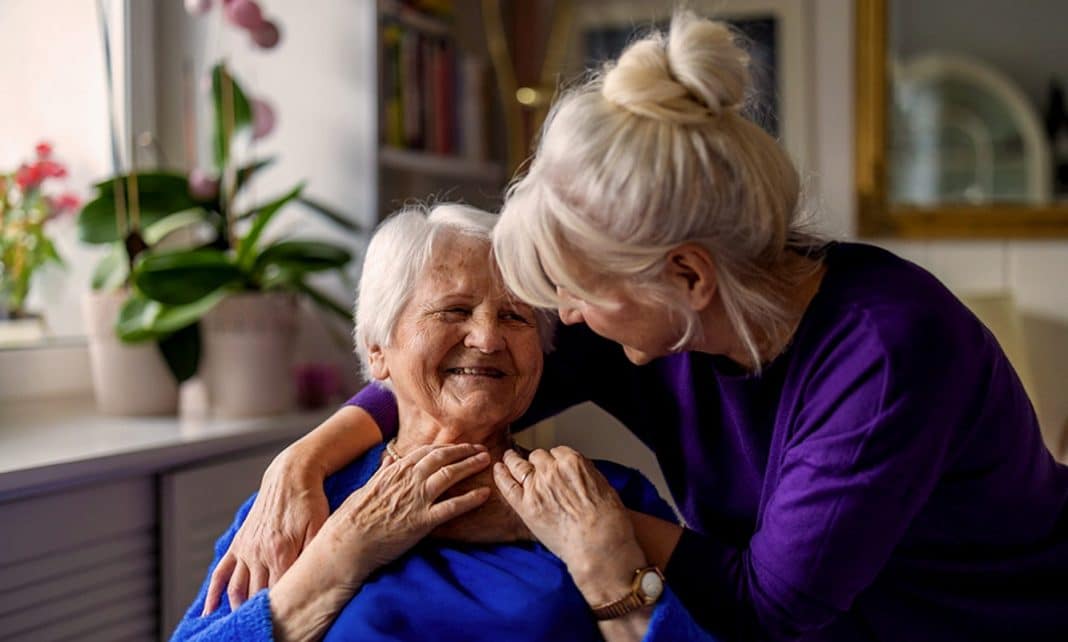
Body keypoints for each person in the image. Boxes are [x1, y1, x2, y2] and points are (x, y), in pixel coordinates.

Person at [207, 12, 1068, 642]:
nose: (558, 322)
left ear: (687, 275)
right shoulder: (651, 320)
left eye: (567, 294)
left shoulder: (886, 354)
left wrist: (572, 532)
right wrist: (304, 461)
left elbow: (768, 610)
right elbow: (454, 370)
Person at [174, 204, 713, 641]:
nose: (487, 338)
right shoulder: (306, 505)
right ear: (378, 350)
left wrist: (609, 570)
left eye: (515, 316)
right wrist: (340, 556)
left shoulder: (601, 497)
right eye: (453, 311)